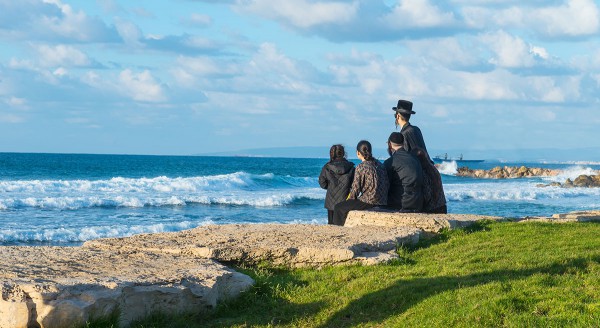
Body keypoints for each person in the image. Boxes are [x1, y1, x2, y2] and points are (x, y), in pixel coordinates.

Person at [332, 140, 389, 226]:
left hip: (369, 202)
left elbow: (355, 190)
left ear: (358, 153)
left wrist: (349, 200)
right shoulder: (380, 165)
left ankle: (338, 230)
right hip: (383, 200)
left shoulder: (361, 167)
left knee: (338, 207)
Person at [383, 132, 424, 212]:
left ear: (390, 144)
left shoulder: (390, 162)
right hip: (418, 202)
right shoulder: (415, 159)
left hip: (400, 203)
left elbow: (385, 185)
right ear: (404, 143)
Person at [318, 144, 355, 224]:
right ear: (343, 153)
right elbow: (354, 183)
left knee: (331, 225)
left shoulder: (327, 167)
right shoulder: (350, 167)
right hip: (345, 199)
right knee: (343, 223)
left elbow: (322, 183)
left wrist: (330, 186)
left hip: (331, 200)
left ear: (331, 154)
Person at [411, 147, 447, 214]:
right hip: (442, 206)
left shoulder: (423, 172)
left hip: (431, 210)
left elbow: (427, 194)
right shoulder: (433, 168)